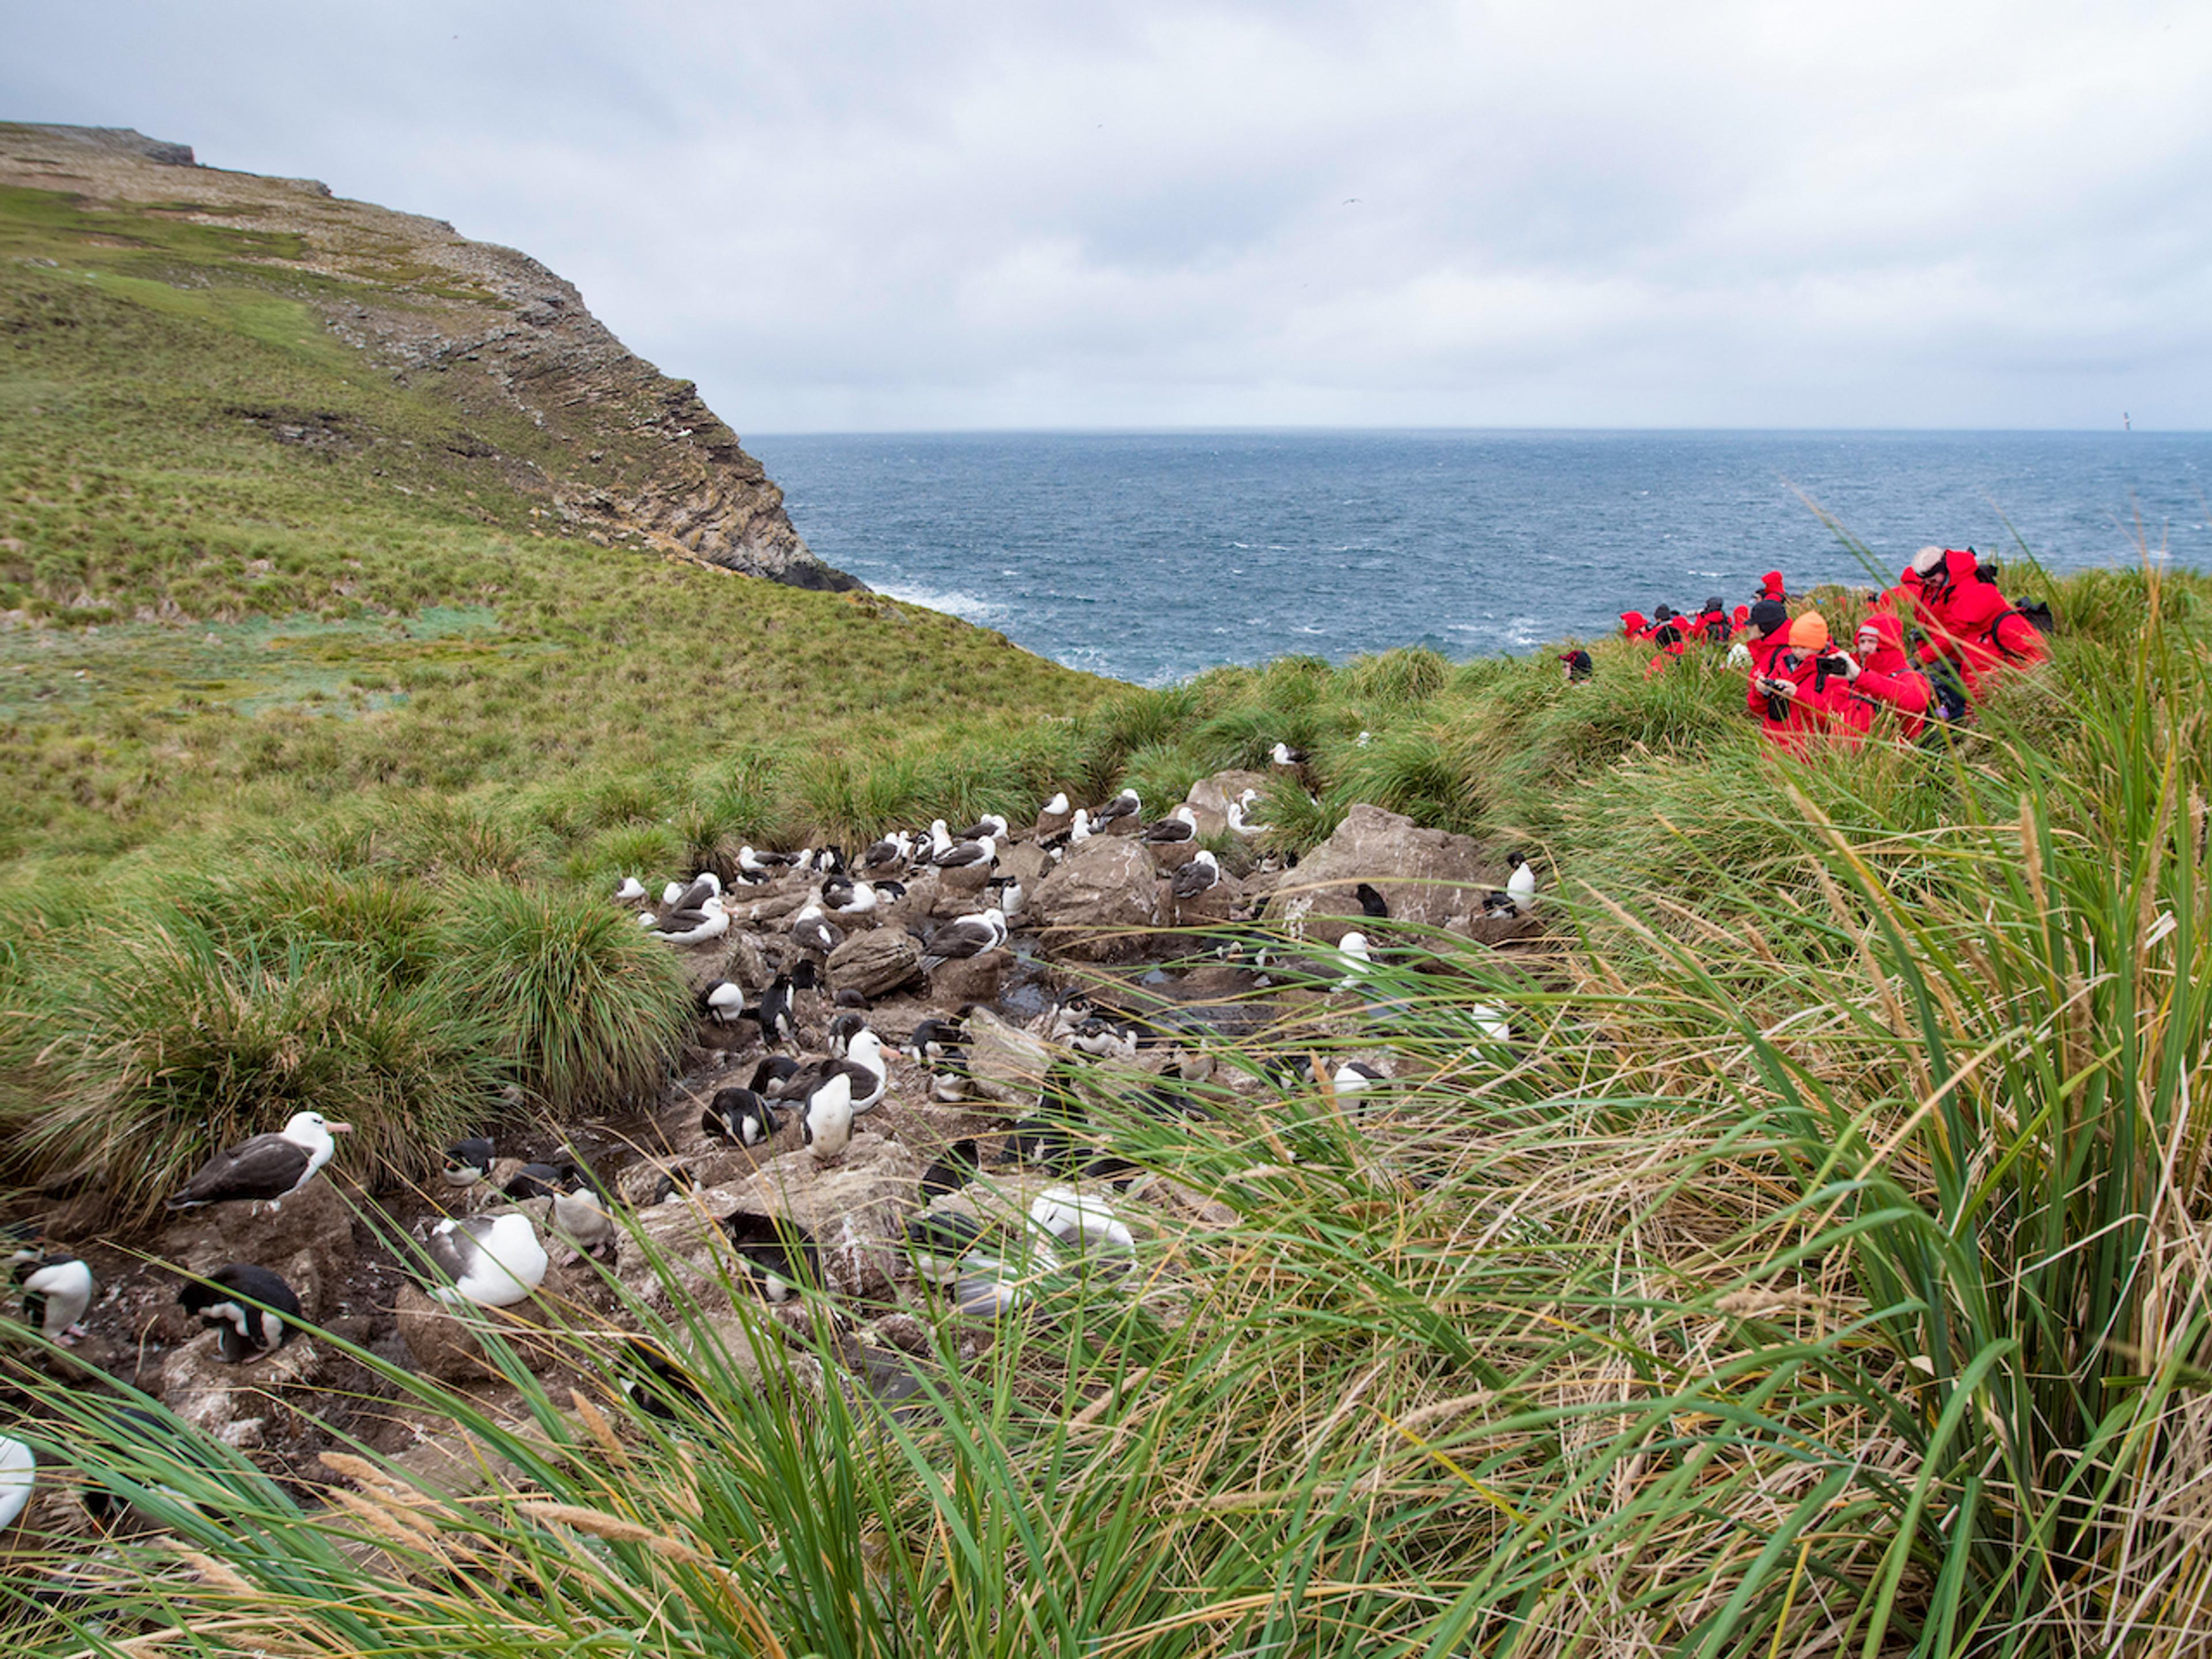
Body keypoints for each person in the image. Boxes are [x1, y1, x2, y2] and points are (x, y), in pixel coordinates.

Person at [1910, 547, 2047, 697]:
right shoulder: (1938, 584)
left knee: (1917, 683)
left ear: (1943, 569)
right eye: (1926, 581)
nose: (1929, 584)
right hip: (1944, 650)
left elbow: (1954, 634)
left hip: (1956, 654)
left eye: (1933, 580)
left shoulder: (1966, 590)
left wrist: (1920, 658)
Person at [1750, 611, 1855, 752]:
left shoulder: (1835, 673)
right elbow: (1757, 709)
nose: (1797, 652)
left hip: (1807, 752)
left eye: (1803, 647)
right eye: (1794, 646)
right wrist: (1760, 692)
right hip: (1772, 746)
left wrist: (1798, 694)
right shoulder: (1784, 664)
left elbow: (1833, 718)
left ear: (1818, 645)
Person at [1831, 611, 1935, 741]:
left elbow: (1914, 702)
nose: (1865, 648)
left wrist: (1861, 677)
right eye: (1862, 642)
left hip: (1888, 759)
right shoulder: (1854, 675)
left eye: (1872, 642)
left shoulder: (1909, 677)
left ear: (1889, 645)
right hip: (1845, 756)